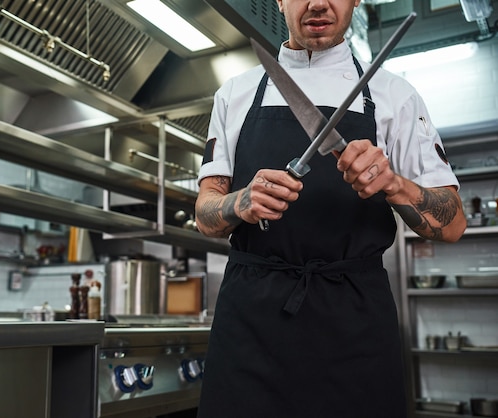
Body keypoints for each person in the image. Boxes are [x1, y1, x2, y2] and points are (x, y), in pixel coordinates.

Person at [194, 0, 467, 417]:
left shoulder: (396, 95)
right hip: (251, 323)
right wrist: (240, 201)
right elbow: (205, 213)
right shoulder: (235, 93)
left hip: (354, 325)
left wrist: (393, 183)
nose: (319, 3)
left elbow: (452, 223)